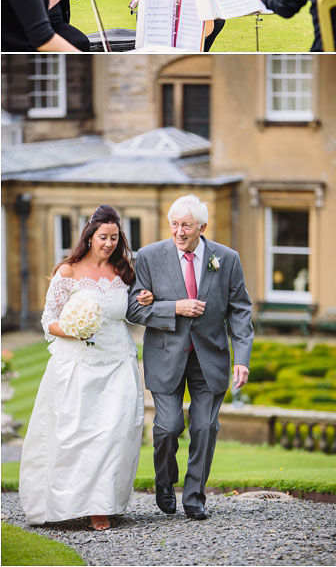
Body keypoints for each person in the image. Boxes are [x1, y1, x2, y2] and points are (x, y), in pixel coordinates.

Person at [19, 205, 154, 529]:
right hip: (78, 364)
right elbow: (48, 320)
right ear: (90, 236)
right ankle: (71, 503)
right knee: (79, 435)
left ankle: (102, 505)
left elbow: (131, 308)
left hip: (119, 360)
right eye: (103, 237)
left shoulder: (124, 271)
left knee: (117, 432)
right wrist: (75, 330)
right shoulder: (68, 271)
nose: (108, 243)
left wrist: (144, 299)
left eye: (114, 237)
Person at [126, 195, 253, 520]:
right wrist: (174, 308)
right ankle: (165, 483)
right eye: (174, 224)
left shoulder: (227, 258)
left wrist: (242, 358)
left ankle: (195, 497)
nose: (179, 231)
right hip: (166, 357)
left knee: (205, 426)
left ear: (202, 227)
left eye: (186, 225)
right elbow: (135, 308)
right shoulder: (150, 256)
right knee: (168, 428)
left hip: (210, 357)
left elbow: (240, 310)